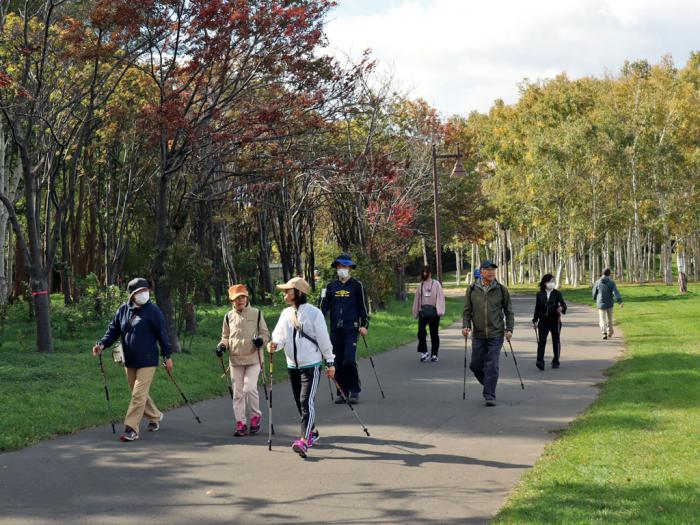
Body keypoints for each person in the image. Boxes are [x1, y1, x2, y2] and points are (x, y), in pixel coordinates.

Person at [92, 278, 172, 442]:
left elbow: (163, 336)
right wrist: (101, 345)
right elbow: (113, 330)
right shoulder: (123, 310)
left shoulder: (153, 311)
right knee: (138, 394)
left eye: (146, 291)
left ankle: (131, 428)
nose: (144, 294)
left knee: (137, 395)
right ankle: (155, 416)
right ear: (131, 295)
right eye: (139, 292)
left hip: (148, 361)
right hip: (129, 359)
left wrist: (167, 356)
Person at [269, 277, 335, 458]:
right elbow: (279, 335)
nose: (284, 294)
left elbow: (323, 339)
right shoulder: (285, 314)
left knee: (306, 402)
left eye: (287, 290)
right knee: (300, 403)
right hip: (292, 365)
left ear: (298, 292)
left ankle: (304, 441)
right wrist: (274, 344)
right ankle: (312, 431)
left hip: (311, 365)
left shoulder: (314, 313)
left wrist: (330, 361)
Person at [217, 284, 270, 437]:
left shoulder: (257, 313)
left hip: (254, 358)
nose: (240, 300)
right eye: (236, 298)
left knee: (249, 388)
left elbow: (265, 334)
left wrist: (261, 341)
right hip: (235, 360)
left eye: (242, 297)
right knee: (238, 393)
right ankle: (240, 422)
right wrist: (221, 346)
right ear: (231, 301)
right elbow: (225, 337)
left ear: (247, 298)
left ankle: (255, 417)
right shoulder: (228, 316)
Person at [462, 260, 514, 407]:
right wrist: (466, 326)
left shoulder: (501, 290)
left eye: (493, 270)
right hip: (478, 334)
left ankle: (489, 394)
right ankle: (489, 384)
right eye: (488, 270)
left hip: (496, 334)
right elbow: (467, 311)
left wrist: (509, 329)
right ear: (482, 271)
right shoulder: (471, 289)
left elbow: (509, 311)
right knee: (475, 365)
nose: (491, 272)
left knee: (492, 364)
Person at [320, 254, 369, 404]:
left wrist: (364, 325)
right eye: (339, 267)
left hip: (352, 329)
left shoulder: (356, 285)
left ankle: (354, 390)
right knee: (337, 361)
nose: (342, 269)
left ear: (350, 269)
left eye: (345, 267)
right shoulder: (330, 287)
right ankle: (342, 391)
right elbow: (322, 308)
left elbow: (363, 307)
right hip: (336, 329)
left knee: (348, 360)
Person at [532, 274, 567, 370]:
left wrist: (561, 308)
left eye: (553, 281)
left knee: (556, 341)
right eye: (549, 281)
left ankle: (556, 360)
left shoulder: (557, 293)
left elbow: (564, 305)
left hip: (555, 321)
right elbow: (537, 308)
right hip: (543, 322)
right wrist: (535, 320)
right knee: (541, 341)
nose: (551, 283)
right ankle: (540, 361)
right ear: (544, 283)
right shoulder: (540, 294)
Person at [412, 265, 446, 362]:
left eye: (427, 272)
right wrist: (416, 312)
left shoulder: (436, 284)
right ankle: (424, 352)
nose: (425, 273)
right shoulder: (420, 285)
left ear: (430, 273)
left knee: (434, 334)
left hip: (434, 313)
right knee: (421, 332)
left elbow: (440, 297)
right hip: (423, 313)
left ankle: (434, 354)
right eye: (424, 272)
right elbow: (417, 300)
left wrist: (439, 310)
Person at [593, 268, 623, 339]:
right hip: (609, 303)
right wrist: (619, 301)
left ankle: (604, 332)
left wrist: (594, 298)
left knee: (602, 318)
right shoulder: (611, 282)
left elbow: (594, 292)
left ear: (602, 273)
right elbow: (615, 293)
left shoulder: (597, 282)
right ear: (609, 274)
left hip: (600, 303)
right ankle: (610, 332)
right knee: (609, 318)